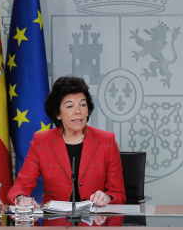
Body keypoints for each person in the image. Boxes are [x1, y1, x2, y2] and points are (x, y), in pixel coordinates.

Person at [7, 76, 126, 206]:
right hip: (54, 222)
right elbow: (19, 188)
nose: (78, 111)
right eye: (70, 106)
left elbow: (118, 193)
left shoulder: (106, 141)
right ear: (58, 113)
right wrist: (22, 198)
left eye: (83, 104)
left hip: (95, 221)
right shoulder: (41, 142)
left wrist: (107, 197)